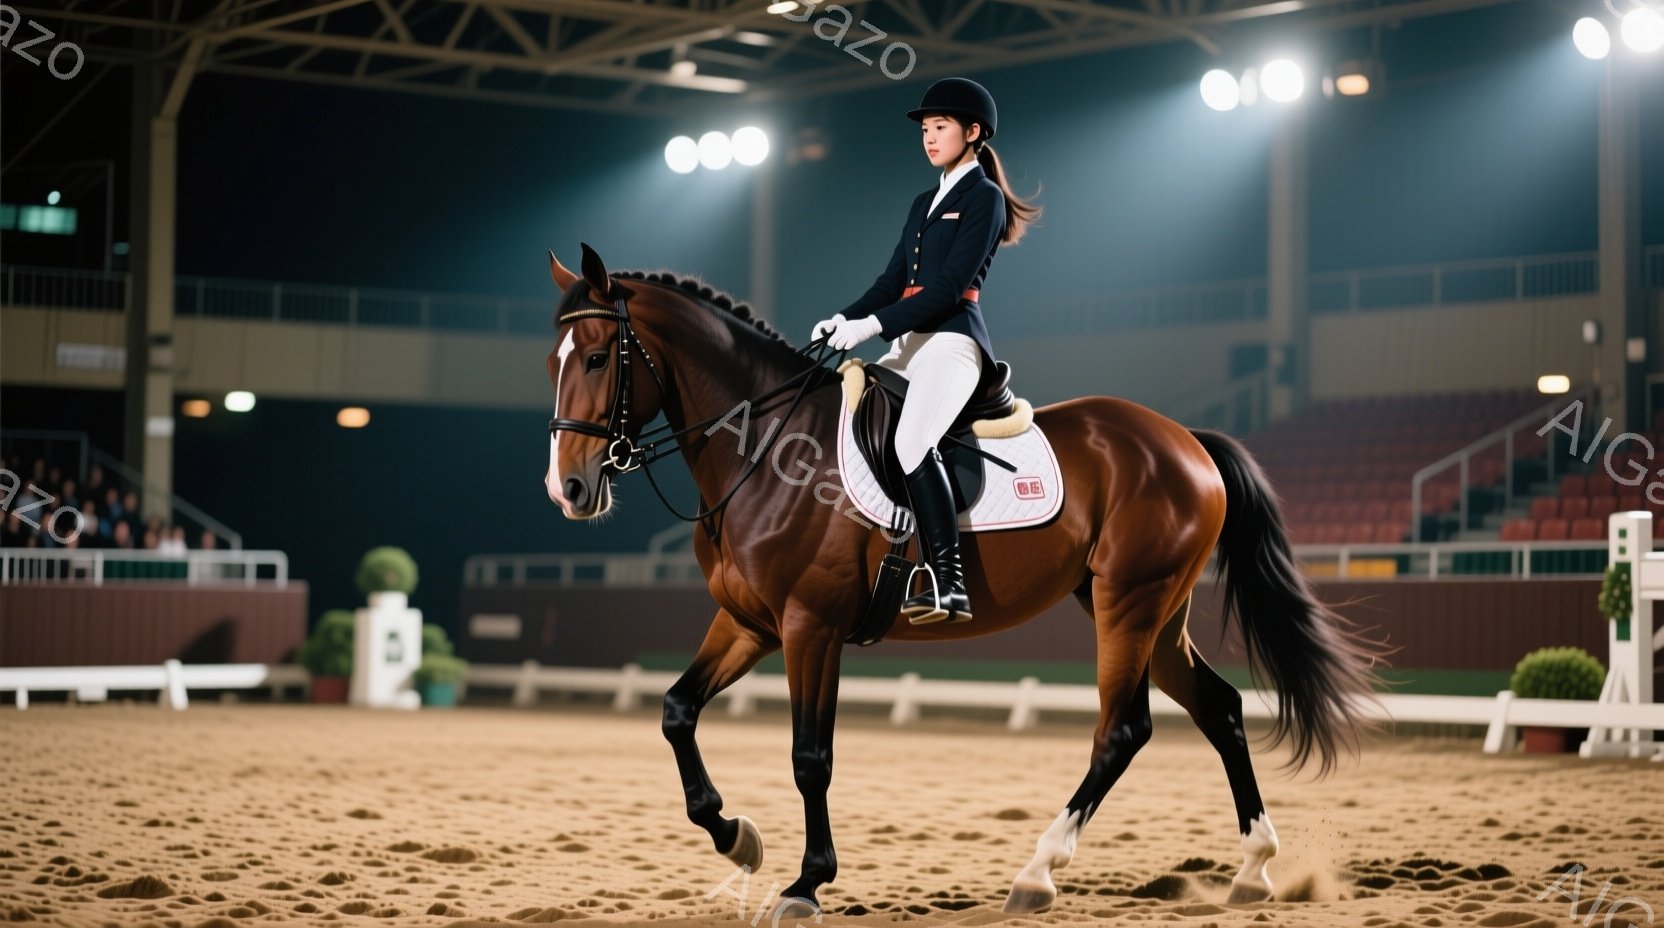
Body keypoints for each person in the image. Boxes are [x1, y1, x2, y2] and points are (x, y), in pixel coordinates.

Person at [811, 76, 1041, 626]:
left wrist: (870, 327)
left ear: (973, 132)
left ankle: (948, 580)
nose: (929, 138)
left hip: (954, 340)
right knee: (843, 416)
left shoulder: (983, 197)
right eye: (926, 130)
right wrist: (844, 317)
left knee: (914, 438)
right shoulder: (923, 202)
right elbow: (891, 280)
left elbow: (944, 290)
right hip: (910, 342)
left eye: (940, 128)